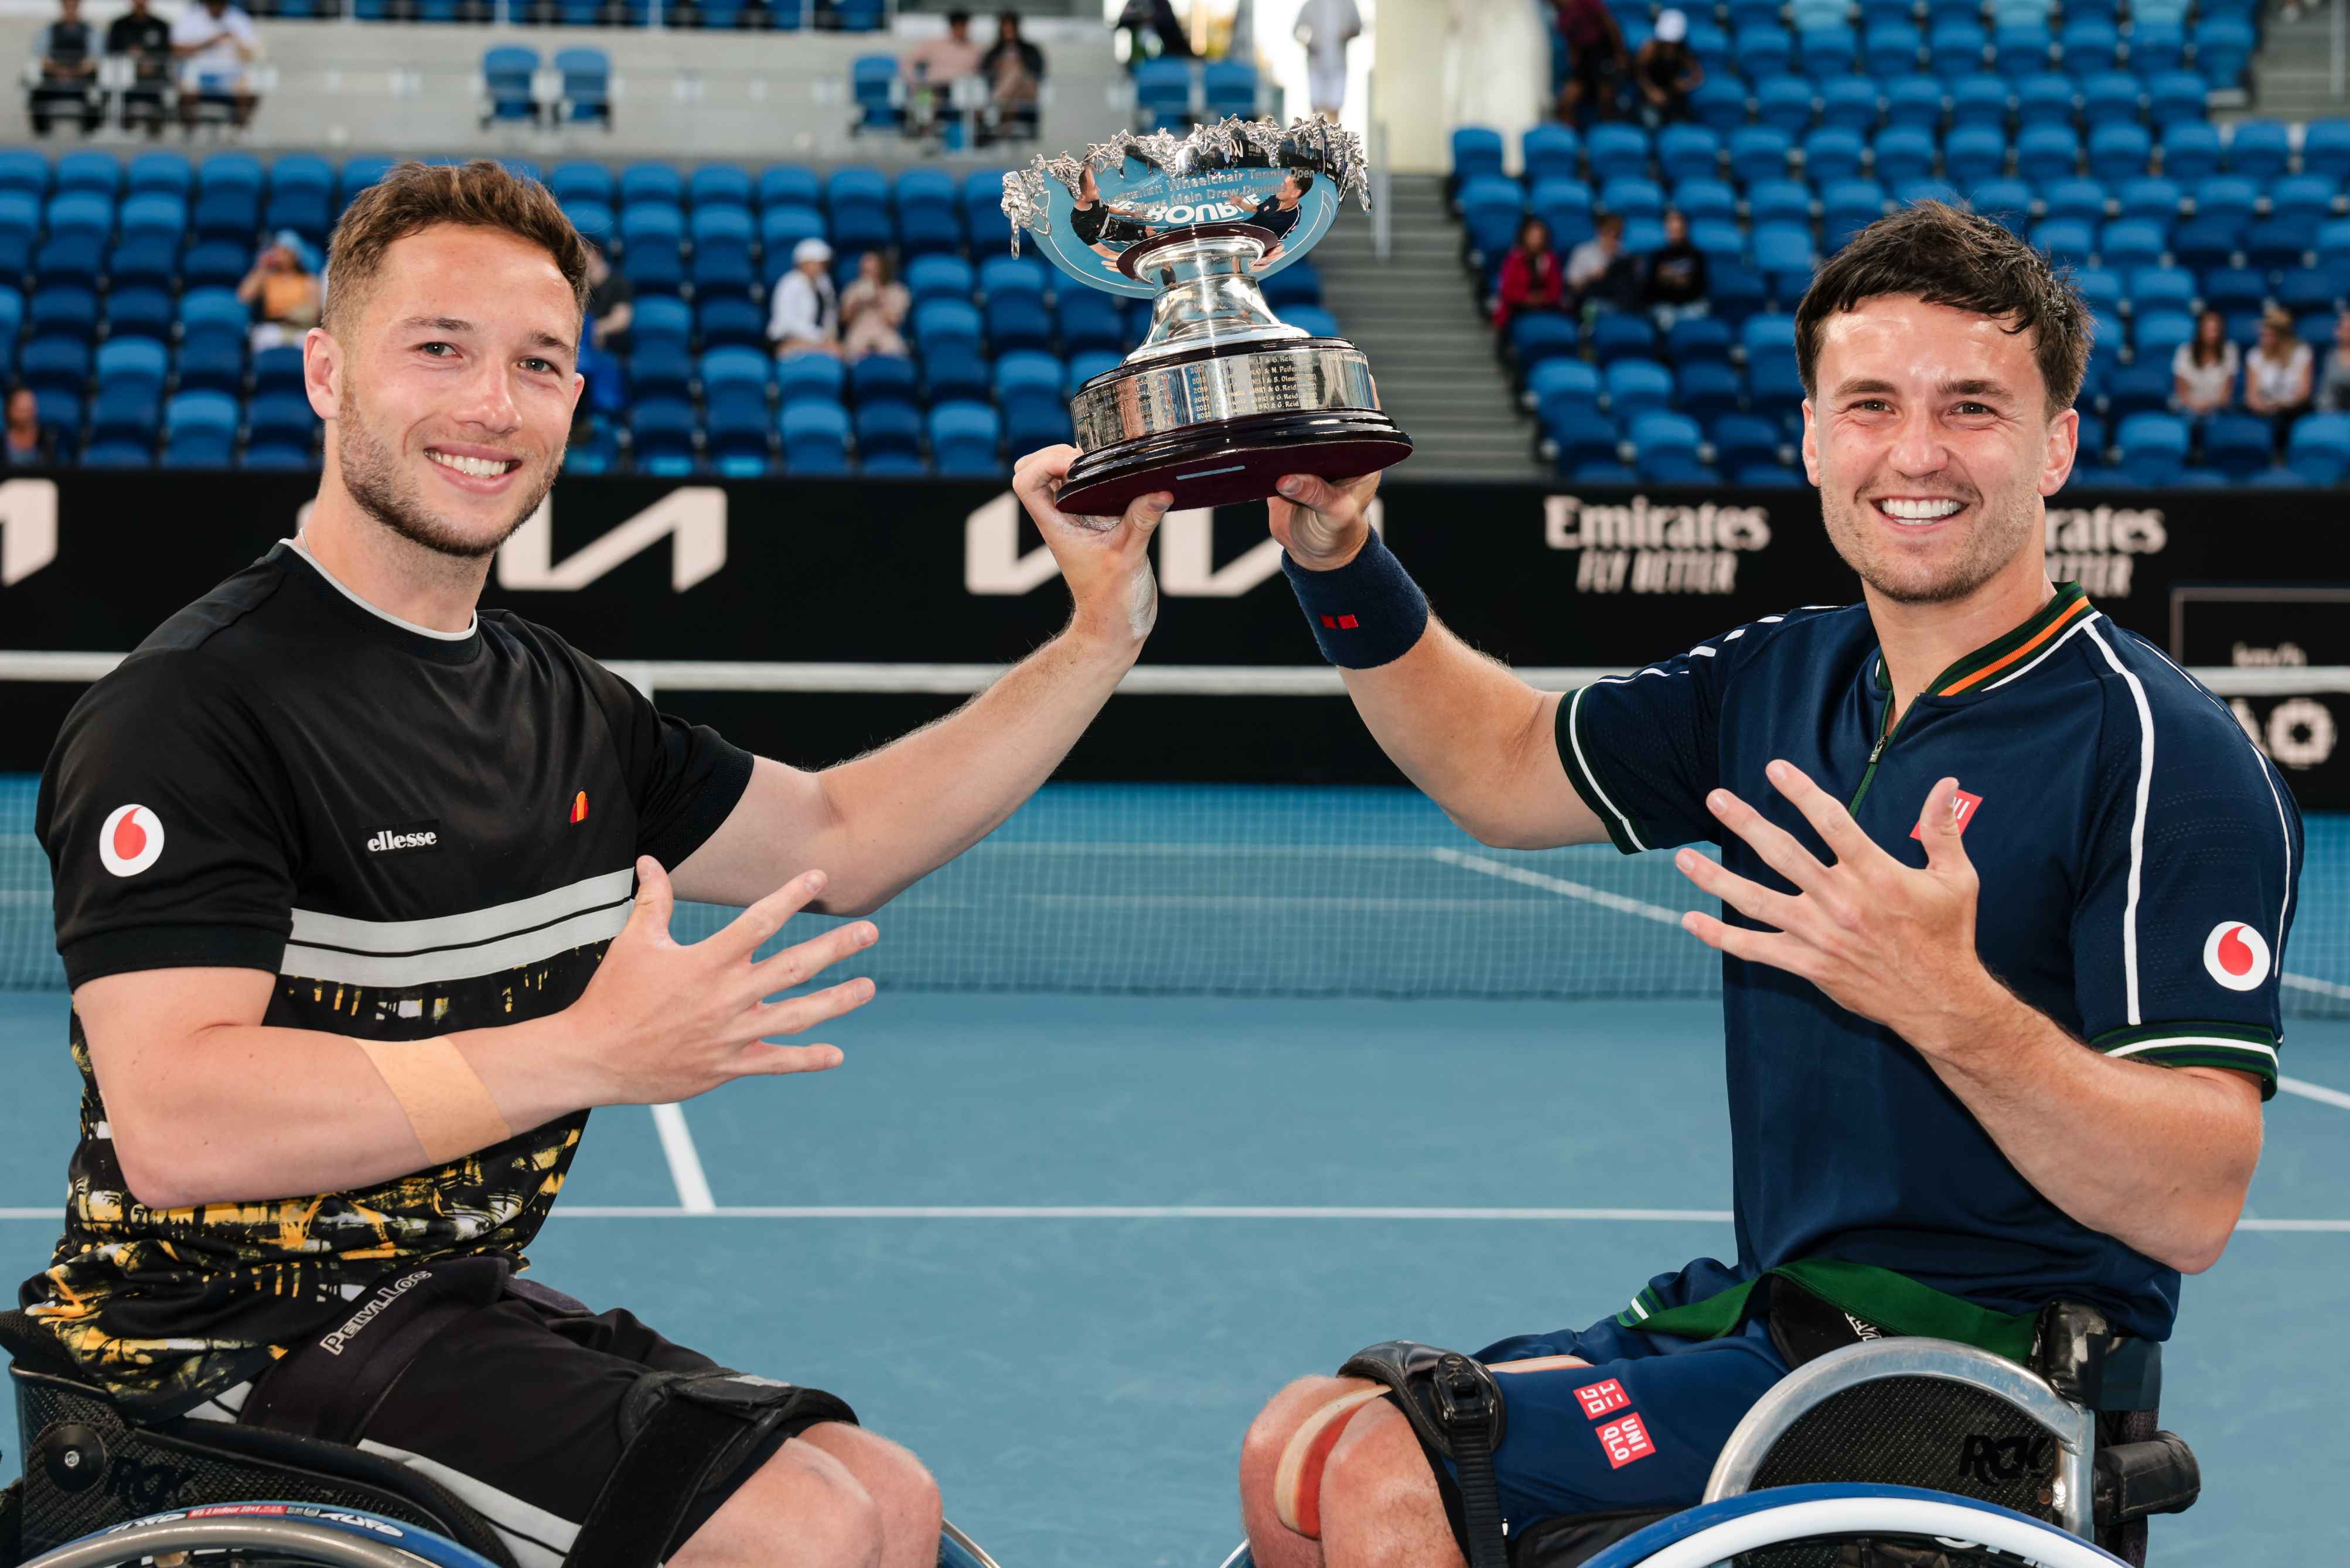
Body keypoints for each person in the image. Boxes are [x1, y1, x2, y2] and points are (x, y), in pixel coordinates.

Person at [30, 158, 1179, 1568]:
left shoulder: (569, 705)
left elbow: (838, 837)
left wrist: (1100, 635)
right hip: (206, 1363)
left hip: (432, 1309)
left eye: (539, 362)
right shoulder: (190, 708)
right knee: (802, 1532)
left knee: (887, 1498)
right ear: (328, 373)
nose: (490, 405)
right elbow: (183, 1122)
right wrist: (587, 1049)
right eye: (438, 349)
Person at [1238, 199, 2296, 1568]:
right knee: (1297, 1449)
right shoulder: (1780, 677)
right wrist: (1339, 562)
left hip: (1971, 1394)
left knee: (1390, 1469)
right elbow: (1499, 766)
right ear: (1811, 436)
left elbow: (2196, 1194)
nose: (1916, 453)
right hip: (1781, 1325)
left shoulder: (2166, 754)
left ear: (2058, 449)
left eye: (1973, 407)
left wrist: (1944, 1001)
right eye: (1871, 405)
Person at [170, 0, 260, 130]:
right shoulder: (190, 18)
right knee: (186, 88)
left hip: (230, 74)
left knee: (250, 90)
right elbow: (177, 49)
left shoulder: (239, 19)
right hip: (198, 71)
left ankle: (239, 129)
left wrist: (236, 41)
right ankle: (189, 129)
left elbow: (251, 53)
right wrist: (209, 43)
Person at [902, 8, 982, 138]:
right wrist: (915, 81)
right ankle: (925, 134)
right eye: (958, 26)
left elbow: (980, 73)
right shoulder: (934, 44)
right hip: (934, 87)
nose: (961, 30)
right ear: (952, 26)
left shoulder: (974, 50)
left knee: (976, 96)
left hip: (960, 90)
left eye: (964, 26)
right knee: (923, 95)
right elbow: (908, 61)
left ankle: (973, 136)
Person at [237, 231, 322, 352]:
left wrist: (291, 314)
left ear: (295, 255)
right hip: (273, 329)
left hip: (300, 330)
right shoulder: (268, 278)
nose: (280, 256)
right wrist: (262, 267)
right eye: (278, 251)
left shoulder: (309, 280)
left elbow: (314, 312)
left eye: (285, 252)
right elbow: (244, 296)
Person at [2243, 302, 2313, 447]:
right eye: (2262, 335)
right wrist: (2264, 407)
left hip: (2293, 411)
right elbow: (2252, 396)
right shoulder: (2255, 356)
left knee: (2287, 419)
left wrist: (2282, 405)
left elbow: (2304, 393)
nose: (2263, 339)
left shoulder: (2302, 353)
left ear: (2282, 336)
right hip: (2264, 412)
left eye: (2268, 335)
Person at [30, 0, 104, 137]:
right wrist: (59, 72)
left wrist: (72, 73)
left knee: (97, 98)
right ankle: (42, 136)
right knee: (36, 96)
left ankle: (90, 136)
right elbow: (42, 59)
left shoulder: (90, 31)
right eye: (67, 6)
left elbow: (94, 60)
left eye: (73, 6)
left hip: (81, 83)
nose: (71, 10)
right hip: (54, 82)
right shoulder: (49, 31)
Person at [575, 239, 632, 415]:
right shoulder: (578, 287)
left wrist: (597, 329)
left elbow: (622, 318)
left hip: (609, 350)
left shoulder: (618, 284)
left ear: (596, 255)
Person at [1549, 0, 1626, 124]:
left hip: (1602, 53)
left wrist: (1620, 54)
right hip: (1584, 61)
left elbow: (1610, 24)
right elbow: (1572, 45)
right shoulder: (1561, 19)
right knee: (1566, 103)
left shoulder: (1587, 2)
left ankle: (1607, 134)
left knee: (1606, 100)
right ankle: (1570, 139)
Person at [105, 0, 174, 135]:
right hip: (125, 76)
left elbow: (166, 54)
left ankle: (156, 130)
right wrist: (130, 58)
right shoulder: (119, 25)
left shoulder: (161, 26)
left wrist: (149, 61)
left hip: (155, 75)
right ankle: (124, 129)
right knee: (118, 83)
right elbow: (111, 51)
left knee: (159, 85)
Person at [768, 236, 841, 359]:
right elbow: (788, 321)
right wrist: (819, 337)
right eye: (817, 263)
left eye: (823, 263)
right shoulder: (789, 283)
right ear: (804, 263)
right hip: (787, 338)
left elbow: (830, 313)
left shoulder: (825, 283)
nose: (821, 267)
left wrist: (829, 337)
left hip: (818, 339)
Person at [978, 11, 1045, 143]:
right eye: (1005, 28)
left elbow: (1038, 72)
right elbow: (984, 73)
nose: (1008, 31)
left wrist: (1020, 64)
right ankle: (1005, 131)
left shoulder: (1030, 49)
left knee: (1015, 71)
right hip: (1008, 93)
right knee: (1011, 98)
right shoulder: (994, 52)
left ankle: (995, 105)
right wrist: (999, 66)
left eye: (1011, 28)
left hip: (1027, 89)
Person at [1492, 214, 1564, 333]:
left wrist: (1541, 298)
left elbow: (1556, 289)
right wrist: (1527, 298)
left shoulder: (1550, 259)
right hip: (1518, 307)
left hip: (1545, 307)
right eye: (1533, 236)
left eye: (1539, 236)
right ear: (1524, 236)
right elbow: (1507, 290)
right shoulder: (1514, 259)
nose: (1536, 240)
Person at [1632, 6, 1703, 127]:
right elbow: (1638, 73)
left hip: (1672, 94)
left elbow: (1697, 75)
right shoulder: (1649, 50)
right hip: (1648, 94)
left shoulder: (1682, 51)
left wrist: (1685, 84)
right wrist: (1651, 91)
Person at [1293, 0, 1362, 122]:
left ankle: (1333, 140)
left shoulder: (1348, 3)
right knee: (1316, 110)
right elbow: (1296, 31)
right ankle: (1314, 139)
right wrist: (1309, 44)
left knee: (1334, 108)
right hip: (1316, 64)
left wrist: (1345, 35)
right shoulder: (1311, 4)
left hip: (1338, 64)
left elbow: (1358, 27)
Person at [840, 250, 910, 360]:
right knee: (851, 353)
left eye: (873, 269)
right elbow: (844, 320)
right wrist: (856, 303)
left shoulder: (897, 291)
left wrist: (880, 299)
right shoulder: (853, 289)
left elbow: (893, 322)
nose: (868, 272)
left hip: (885, 333)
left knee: (895, 352)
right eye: (865, 269)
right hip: (859, 332)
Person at [1644, 206, 1707, 328]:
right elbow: (1651, 289)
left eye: (1678, 228)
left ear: (1685, 229)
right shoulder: (1657, 256)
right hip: (1665, 307)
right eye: (1672, 228)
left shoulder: (1697, 256)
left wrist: (1670, 279)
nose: (1675, 231)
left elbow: (1700, 287)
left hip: (1690, 307)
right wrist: (1676, 281)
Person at [1566, 210, 1640, 315]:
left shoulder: (1624, 254)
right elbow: (1573, 287)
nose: (1613, 239)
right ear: (1599, 231)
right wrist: (1592, 277)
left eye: (1617, 235)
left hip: (1619, 303)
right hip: (1590, 302)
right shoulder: (1582, 252)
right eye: (1608, 233)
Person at [2171, 306, 2236, 418]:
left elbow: (2226, 395)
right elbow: (2182, 392)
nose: (2212, 333)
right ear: (2200, 329)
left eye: (2215, 329)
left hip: (2217, 410)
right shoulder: (2184, 351)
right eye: (2208, 328)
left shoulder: (2230, 351)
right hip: (2189, 408)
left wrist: (2209, 406)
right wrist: (2195, 406)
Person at [1251, 171, 1312, 265]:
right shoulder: (1274, 198)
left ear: (1295, 193)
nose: (1281, 186)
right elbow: (1255, 209)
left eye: (1285, 184)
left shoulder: (1293, 217)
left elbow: (1273, 245)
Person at [1, 387, 56, 466]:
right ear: (10, 411)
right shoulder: (2, 443)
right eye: (23, 411)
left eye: (30, 410)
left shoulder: (47, 440)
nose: (28, 416)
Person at [2317, 309, 2350, 411]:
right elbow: (2325, 395)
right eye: (2341, 328)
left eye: (2348, 329)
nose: (2341, 332)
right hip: (2334, 414)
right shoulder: (2330, 357)